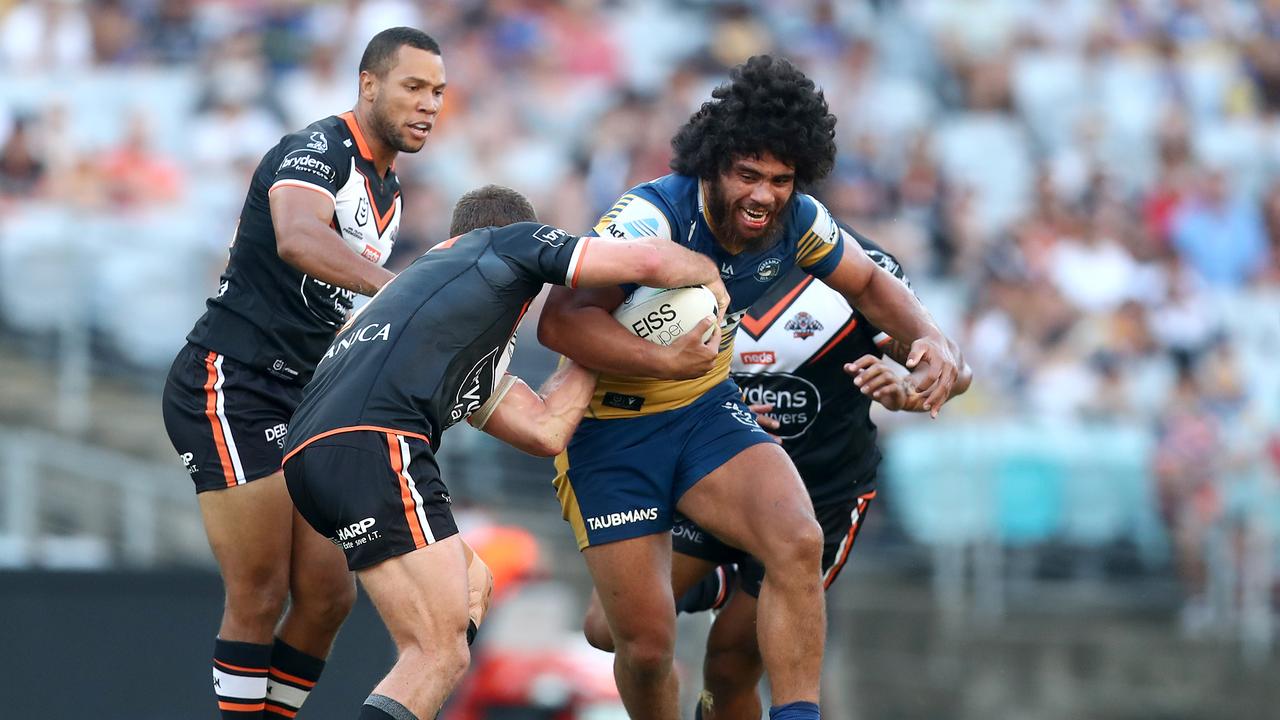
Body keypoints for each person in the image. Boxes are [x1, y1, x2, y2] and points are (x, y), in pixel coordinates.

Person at [536, 55, 963, 720]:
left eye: (781, 179)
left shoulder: (800, 221)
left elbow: (877, 287)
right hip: (613, 430)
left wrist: (931, 340)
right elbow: (560, 321)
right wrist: (662, 363)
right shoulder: (651, 217)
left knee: (795, 541)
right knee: (639, 648)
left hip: (705, 412)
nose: (764, 194)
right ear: (711, 165)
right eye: (749, 175)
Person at [281, 184, 731, 720]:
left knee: (473, 588)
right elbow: (650, 258)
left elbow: (546, 431)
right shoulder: (503, 242)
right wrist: (708, 270)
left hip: (310, 458)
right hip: (374, 443)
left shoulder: (437, 314)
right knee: (439, 651)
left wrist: (600, 344)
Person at [160, 27, 446, 719]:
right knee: (259, 590)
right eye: (413, 86)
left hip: (305, 396)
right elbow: (298, 236)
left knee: (327, 596)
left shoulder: (390, 189)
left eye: (438, 92)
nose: (429, 105)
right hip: (233, 382)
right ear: (368, 84)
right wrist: (402, 291)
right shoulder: (317, 150)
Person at [582, 225, 973, 719]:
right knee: (604, 629)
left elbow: (953, 371)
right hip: (716, 480)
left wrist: (908, 389)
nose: (761, 197)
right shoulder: (684, 259)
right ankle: (719, 581)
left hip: (821, 495)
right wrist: (714, 401)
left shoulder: (862, 269)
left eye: (778, 177)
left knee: (727, 666)